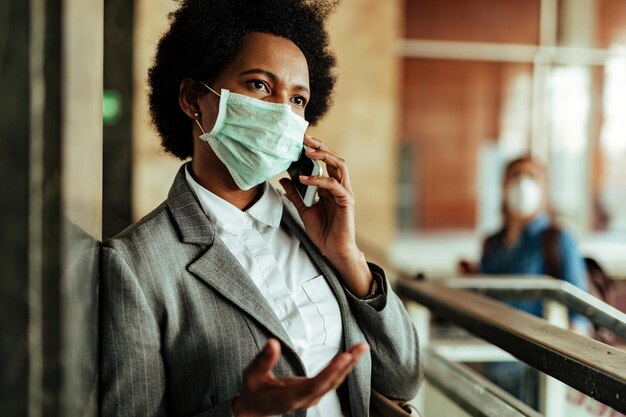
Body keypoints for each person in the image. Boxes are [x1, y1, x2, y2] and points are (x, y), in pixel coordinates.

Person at [99, 1, 421, 416]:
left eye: (299, 99)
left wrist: (349, 259)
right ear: (193, 98)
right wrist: (240, 412)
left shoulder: (314, 231)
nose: (283, 113)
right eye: (260, 86)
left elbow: (403, 378)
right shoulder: (134, 266)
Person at [478, 155, 589, 409]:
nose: (522, 183)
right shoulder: (492, 243)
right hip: (491, 365)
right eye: (516, 176)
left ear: (544, 188)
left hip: (537, 372)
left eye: (532, 177)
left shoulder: (557, 239)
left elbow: (580, 312)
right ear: (504, 185)